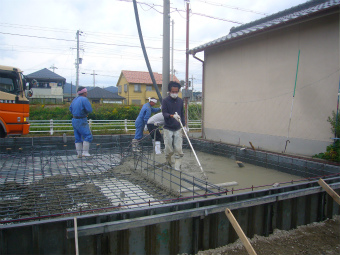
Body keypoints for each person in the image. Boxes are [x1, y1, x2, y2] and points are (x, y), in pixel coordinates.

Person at [162, 81, 185, 170]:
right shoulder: (165, 101)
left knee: (178, 148)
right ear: (169, 91)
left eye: (176, 92)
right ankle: (168, 162)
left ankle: (177, 167)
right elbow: (164, 113)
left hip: (178, 128)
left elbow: (182, 114)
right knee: (169, 148)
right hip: (168, 127)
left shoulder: (180, 101)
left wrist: (184, 126)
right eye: (173, 92)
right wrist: (172, 116)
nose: (175, 93)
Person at [69, 86, 93, 157]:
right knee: (88, 136)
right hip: (81, 119)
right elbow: (89, 110)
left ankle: (79, 154)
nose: (87, 93)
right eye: (86, 92)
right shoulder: (84, 99)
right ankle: (85, 152)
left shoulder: (75, 99)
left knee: (78, 137)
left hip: (74, 120)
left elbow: (70, 109)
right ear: (84, 92)